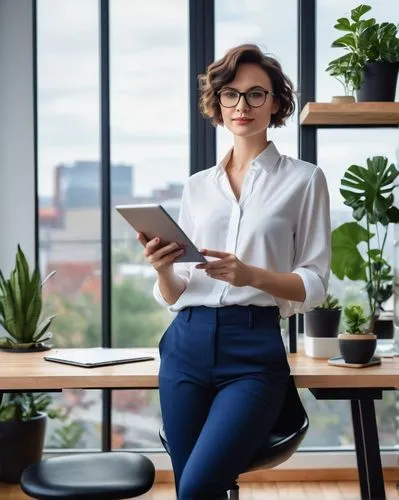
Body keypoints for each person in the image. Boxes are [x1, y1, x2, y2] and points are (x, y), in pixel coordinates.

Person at [138, 43, 331, 499]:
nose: (241, 106)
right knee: (194, 488)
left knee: (199, 487)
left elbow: (316, 283)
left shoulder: (304, 180)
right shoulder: (197, 187)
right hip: (185, 343)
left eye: (256, 94)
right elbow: (178, 287)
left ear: (277, 103)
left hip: (253, 348)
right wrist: (163, 269)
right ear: (218, 103)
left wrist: (251, 275)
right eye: (230, 94)